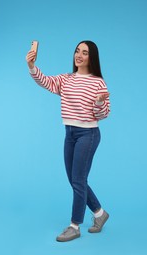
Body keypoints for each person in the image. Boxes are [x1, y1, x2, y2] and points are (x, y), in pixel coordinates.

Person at [26, 40, 110, 242]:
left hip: (88, 134)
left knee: (78, 180)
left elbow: (104, 113)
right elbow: (45, 81)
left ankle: (75, 226)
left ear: (92, 57)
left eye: (85, 52)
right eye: (77, 51)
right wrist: (31, 66)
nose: (79, 55)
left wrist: (99, 102)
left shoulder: (98, 82)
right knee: (74, 180)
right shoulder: (66, 79)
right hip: (70, 133)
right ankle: (99, 214)